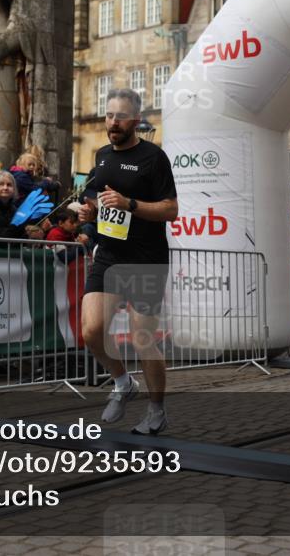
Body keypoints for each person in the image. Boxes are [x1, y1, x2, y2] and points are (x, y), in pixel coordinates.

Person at [78, 89, 178, 435]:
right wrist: (91, 212)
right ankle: (123, 382)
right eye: (109, 116)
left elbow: (171, 210)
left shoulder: (154, 158)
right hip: (109, 254)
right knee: (91, 330)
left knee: (142, 338)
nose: (113, 123)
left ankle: (156, 411)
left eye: (120, 117)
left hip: (146, 259)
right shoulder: (103, 156)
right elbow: (98, 201)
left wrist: (130, 204)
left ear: (136, 120)